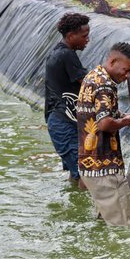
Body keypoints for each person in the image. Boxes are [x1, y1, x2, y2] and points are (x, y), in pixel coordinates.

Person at [75, 42, 130, 226]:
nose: (127, 76)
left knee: (104, 221)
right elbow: (104, 123)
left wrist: (123, 115)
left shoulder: (94, 76)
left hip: (89, 164)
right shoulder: (105, 86)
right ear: (112, 61)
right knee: (126, 224)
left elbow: (98, 112)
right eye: (125, 70)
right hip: (103, 167)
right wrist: (127, 121)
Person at [44, 12, 90, 188]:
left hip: (59, 120)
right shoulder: (66, 55)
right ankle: (84, 215)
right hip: (63, 122)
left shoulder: (60, 52)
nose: (88, 40)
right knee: (85, 174)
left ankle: (74, 202)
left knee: (76, 172)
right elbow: (87, 82)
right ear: (71, 36)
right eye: (84, 36)